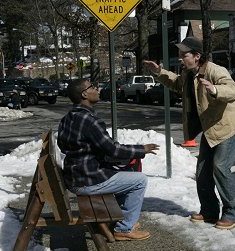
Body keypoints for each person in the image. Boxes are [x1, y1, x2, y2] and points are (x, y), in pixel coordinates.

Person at [143, 37, 235, 230]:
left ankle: (232, 213)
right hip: (211, 129)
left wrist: (215, 89)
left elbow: (234, 89)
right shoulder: (188, 73)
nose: (180, 58)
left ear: (197, 56)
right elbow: (176, 84)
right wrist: (159, 72)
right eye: (180, 55)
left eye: (184, 55)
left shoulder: (214, 70)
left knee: (220, 168)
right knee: (202, 172)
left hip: (228, 126)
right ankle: (209, 211)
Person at [57, 78, 160, 241]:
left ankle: (121, 219)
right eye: (93, 86)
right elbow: (113, 149)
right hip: (87, 180)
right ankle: (125, 229)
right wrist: (142, 149)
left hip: (74, 177)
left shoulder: (68, 118)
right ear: (84, 94)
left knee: (126, 173)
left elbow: (65, 146)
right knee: (139, 180)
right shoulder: (89, 120)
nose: (97, 88)